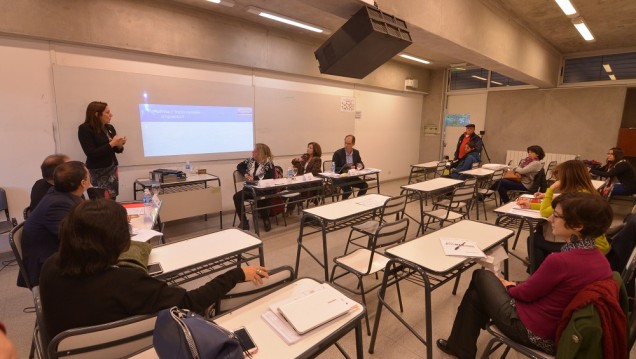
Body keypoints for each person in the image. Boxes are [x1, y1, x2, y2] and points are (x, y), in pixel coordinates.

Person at [39, 199, 268, 339]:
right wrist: (236, 273)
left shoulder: (50, 265)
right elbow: (191, 303)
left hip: (67, 350)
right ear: (116, 240)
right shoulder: (125, 282)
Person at [437, 192, 615, 358]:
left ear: (577, 226)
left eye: (557, 215)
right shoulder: (602, 262)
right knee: (477, 294)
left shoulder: (561, 261)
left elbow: (524, 294)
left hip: (532, 331)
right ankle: (460, 348)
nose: (550, 218)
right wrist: (512, 285)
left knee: (481, 276)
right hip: (559, 331)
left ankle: (460, 348)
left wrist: (507, 284)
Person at [517, 160, 610, 272]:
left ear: (567, 178)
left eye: (559, 178)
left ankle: (538, 273)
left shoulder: (575, 198)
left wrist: (550, 190)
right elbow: (555, 208)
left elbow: (546, 212)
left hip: (589, 246)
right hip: (592, 242)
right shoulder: (584, 191)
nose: (558, 181)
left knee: (534, 239)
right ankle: (543, 271)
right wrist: (531, 205)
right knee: (540, 235)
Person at [18, 161, 89, 288]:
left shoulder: (58, 194)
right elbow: (75, 238)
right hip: (46, 265)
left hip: (53, 252)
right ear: (83, 183)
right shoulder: (57, 204)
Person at [78, 101, 126, 200]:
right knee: (99, 202)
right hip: (97, 171)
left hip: (112, 170)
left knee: (112, 200)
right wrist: (112, 143)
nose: (111, 115)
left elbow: (116, 150)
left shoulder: (109, 127)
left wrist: (119, 145)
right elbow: (91, 153)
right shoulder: (85, 129)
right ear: (97, 114)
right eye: (107, 112)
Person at [233, 143, 276, 231]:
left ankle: (265, 218)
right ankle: (244, 222)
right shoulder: (251, 160)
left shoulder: (269, 163)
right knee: (237, 196)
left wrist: (253, 178)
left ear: (261, 153)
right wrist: (245, 174)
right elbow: (239, 166)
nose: (252, 152)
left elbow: (268, 178)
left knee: (259, 197)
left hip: (265, 189)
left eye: (255, 150)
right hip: (251, 188)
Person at [332, 135, 367, 200]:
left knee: (364, 185)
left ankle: (358, 201)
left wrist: (359, 166)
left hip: (351, 177)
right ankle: (343, 203)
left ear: (353, 144)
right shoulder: (338, 153)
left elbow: (360, 163)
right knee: (348, 190)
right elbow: (333, 169)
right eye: (345, 143)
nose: (346, 145)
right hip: (341, 178)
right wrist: (346, 168)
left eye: (348, 144)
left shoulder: (356, 152)